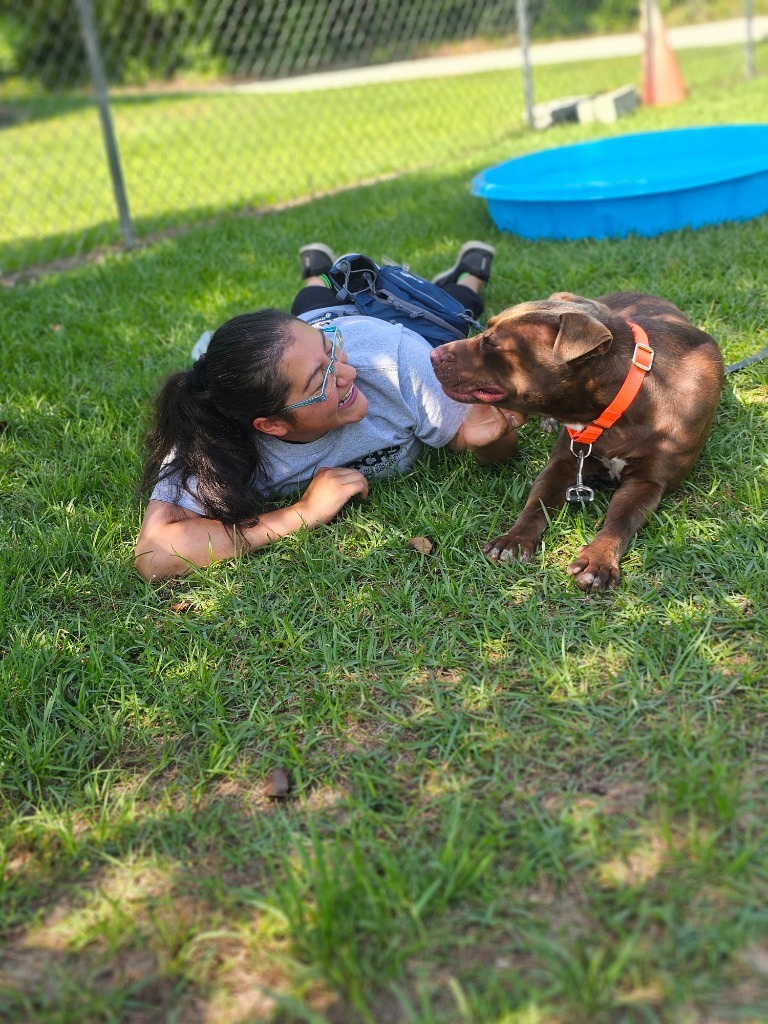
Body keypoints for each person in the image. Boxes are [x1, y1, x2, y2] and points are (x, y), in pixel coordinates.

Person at [135, 241, 523, 581]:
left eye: (330, 354)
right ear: (270, 424)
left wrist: (489, 440)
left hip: (359, 328)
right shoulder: (214, 438)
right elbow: (155, 554)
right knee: (312, 313)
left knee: (453, 313)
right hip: (305, 340)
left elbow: (489, 446)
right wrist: (300, 513)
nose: (349, 374)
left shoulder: (390, 359)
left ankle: (469, 273)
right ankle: (316, 276)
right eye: (320, 381)